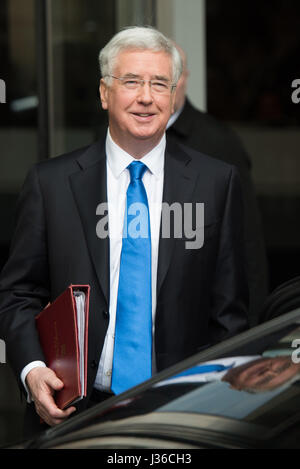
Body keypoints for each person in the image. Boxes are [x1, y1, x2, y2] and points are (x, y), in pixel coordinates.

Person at [0, 26, 248, 436]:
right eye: (131, 82)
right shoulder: (52, 184)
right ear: (104, 93)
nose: (146, 97)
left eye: (159, 84)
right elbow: (17, 294)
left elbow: (229, 317)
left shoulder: (216, 184)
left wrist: (209, 406)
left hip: (180, 416)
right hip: (71, 414)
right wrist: (32, 370)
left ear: (173, 94)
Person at [166, 44, 269, 326]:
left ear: (186, 77)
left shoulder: (219, 142)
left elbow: (247, 238)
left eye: (173, 75)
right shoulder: (116, 133)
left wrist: (252, 322)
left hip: (202, 313)